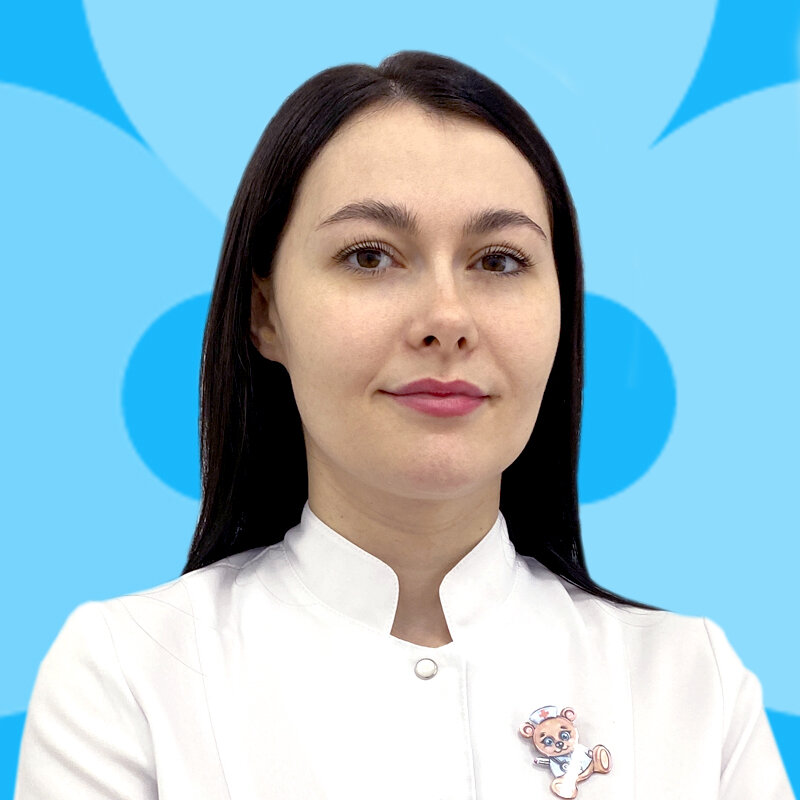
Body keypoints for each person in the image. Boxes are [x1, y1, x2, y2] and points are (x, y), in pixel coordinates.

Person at [14, 50, 794, 800]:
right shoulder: (128, 675)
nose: (446, 320)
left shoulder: (693, 688)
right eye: (369, 257)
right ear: (265, 314)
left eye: (499, 261)